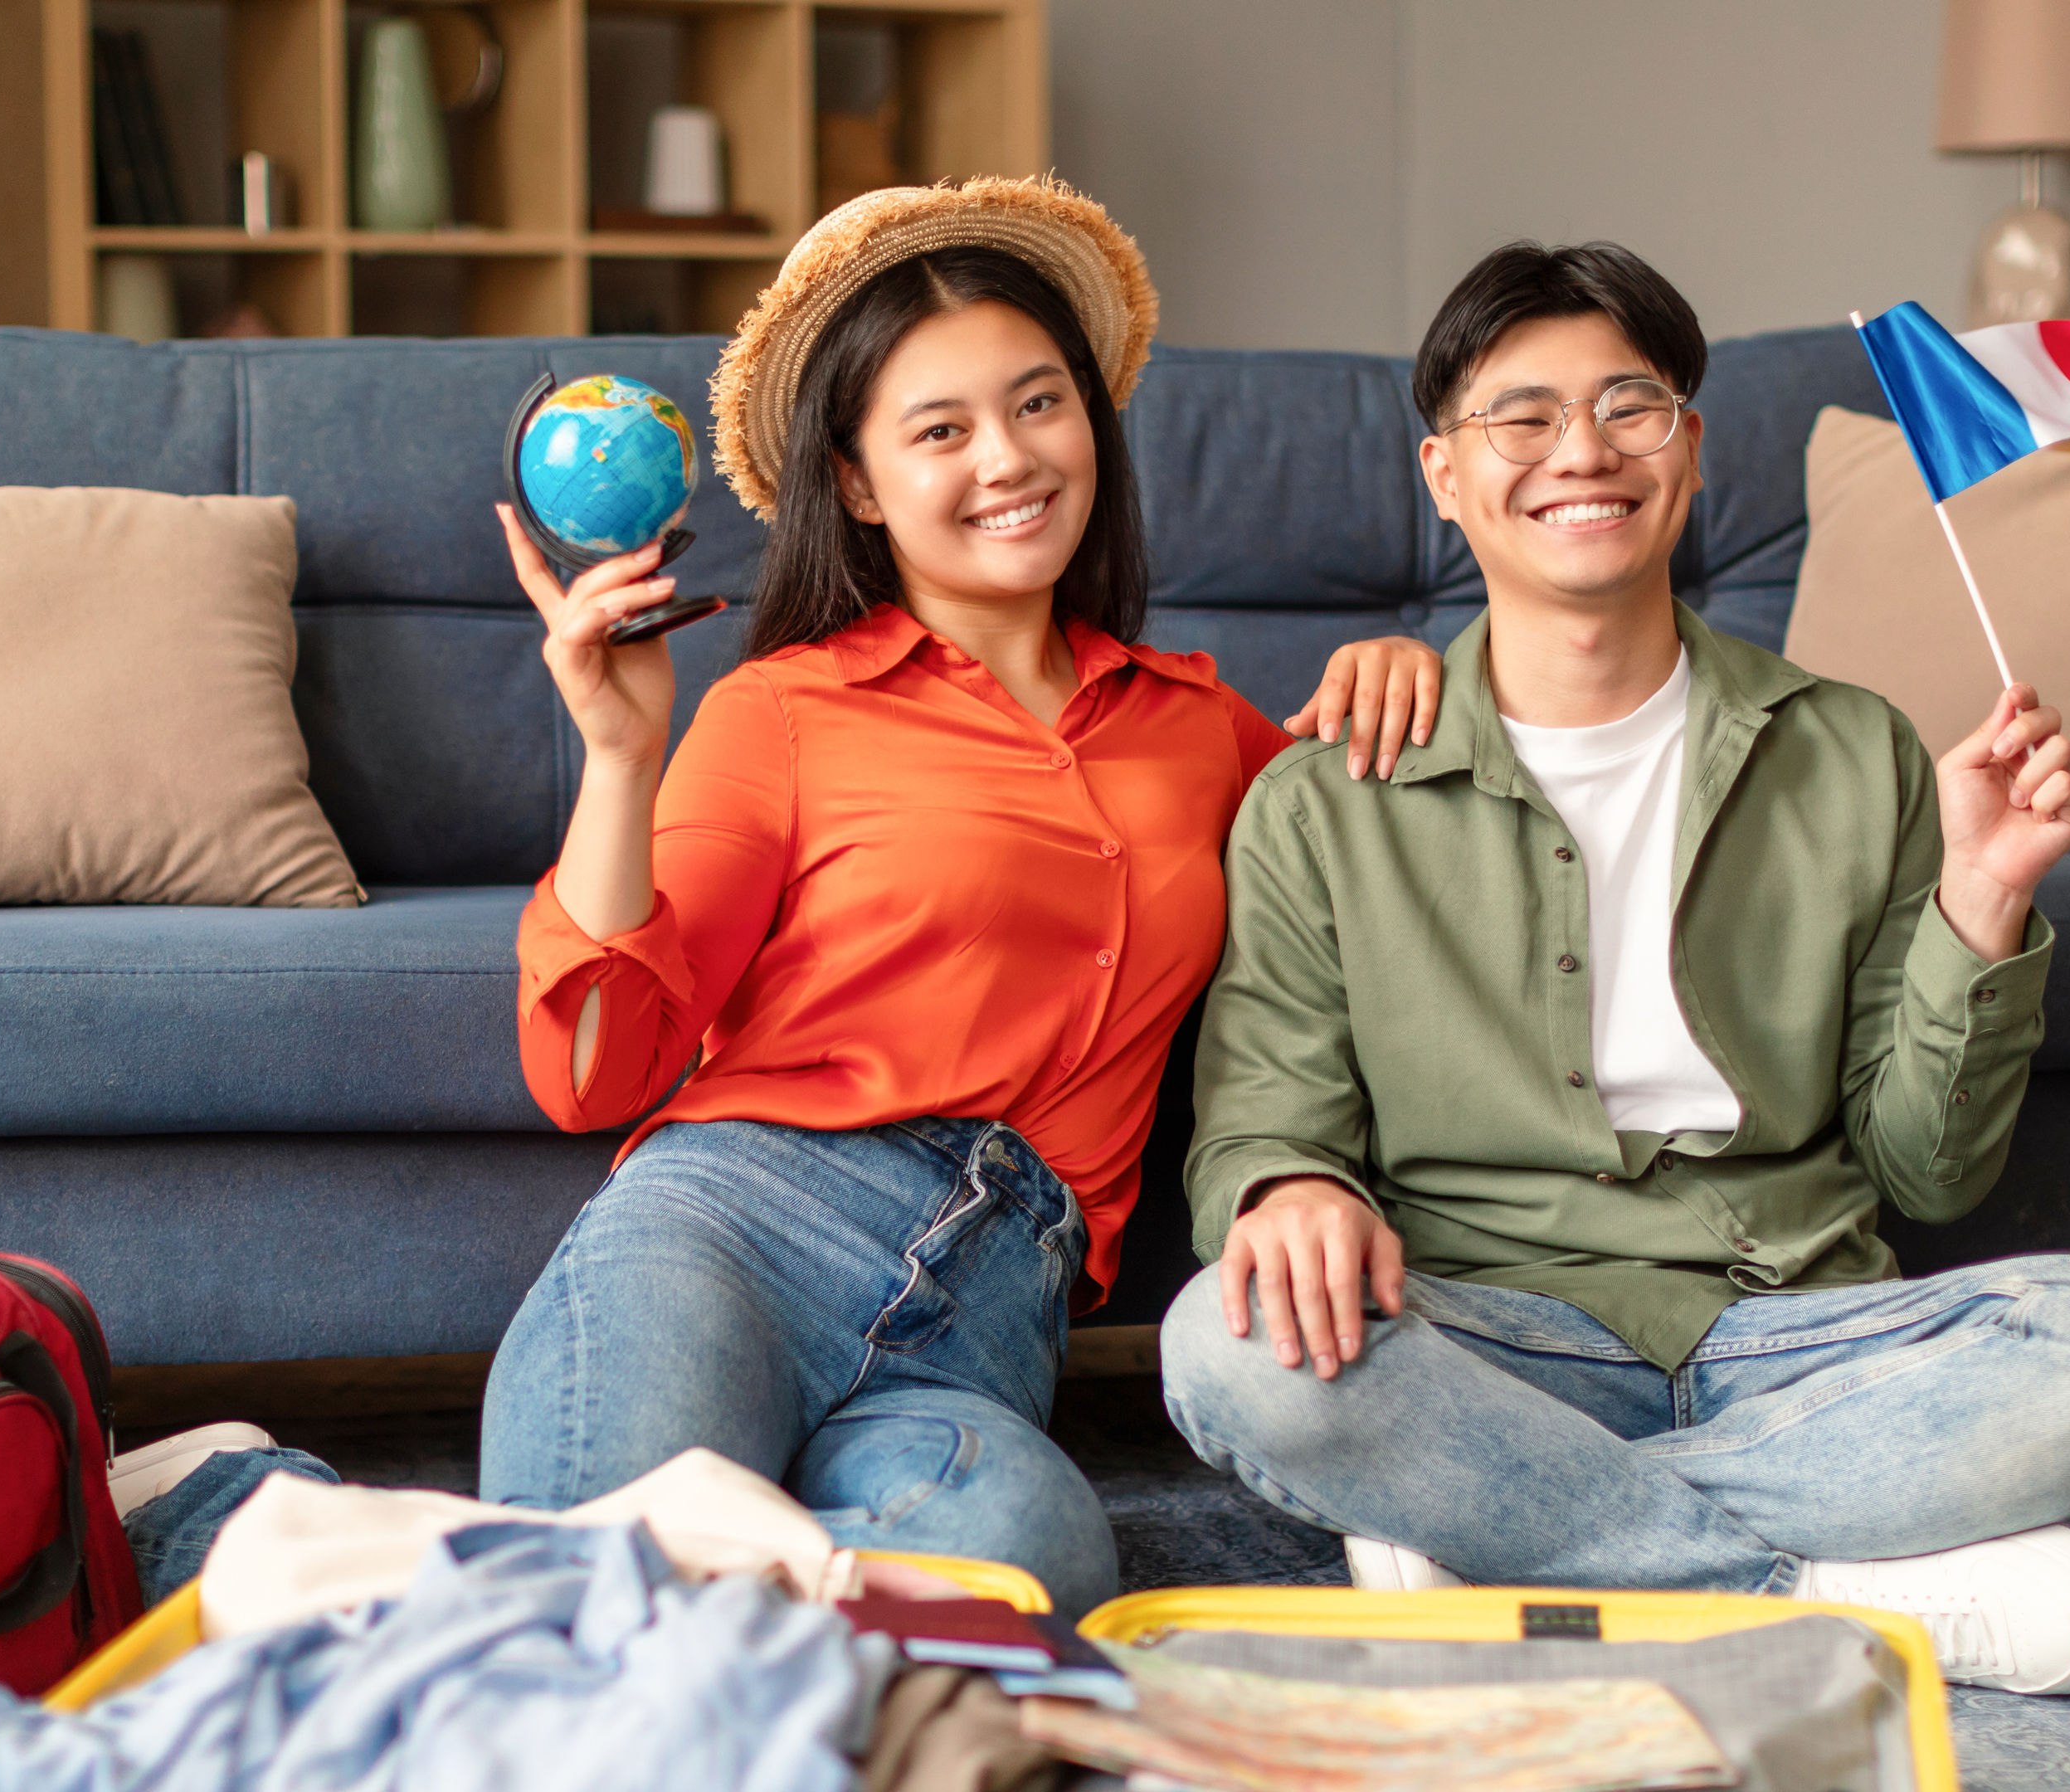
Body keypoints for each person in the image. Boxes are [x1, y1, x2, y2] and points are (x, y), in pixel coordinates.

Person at [1159, 241, 2070, 1694]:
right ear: (1445, 476)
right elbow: (1264, 1113)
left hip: (1800, 1331)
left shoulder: (1856, 751)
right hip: (1487, 1331)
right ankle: (1839, 1590)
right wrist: (1288, 1189)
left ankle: (1509, 1529)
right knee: (1227, 1348)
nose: (1582, 453)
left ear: (1693, 450)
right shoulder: (1326, 794)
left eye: (1631, 406)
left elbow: (1927, 1179)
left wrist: (1981, 902)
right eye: (1522, 418)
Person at [478, 179, 1449, 1616]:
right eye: (940, 430)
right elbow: (589, 1074)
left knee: (1022, 1562)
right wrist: (621, 761)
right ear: (861, 483)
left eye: (1039, 404)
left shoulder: (1201, 730)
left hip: (988, 1314)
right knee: (589, 1595)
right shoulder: (784, 712)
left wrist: (1415, 675)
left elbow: (1355, 912)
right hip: (736, 1226)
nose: (1007, 458)